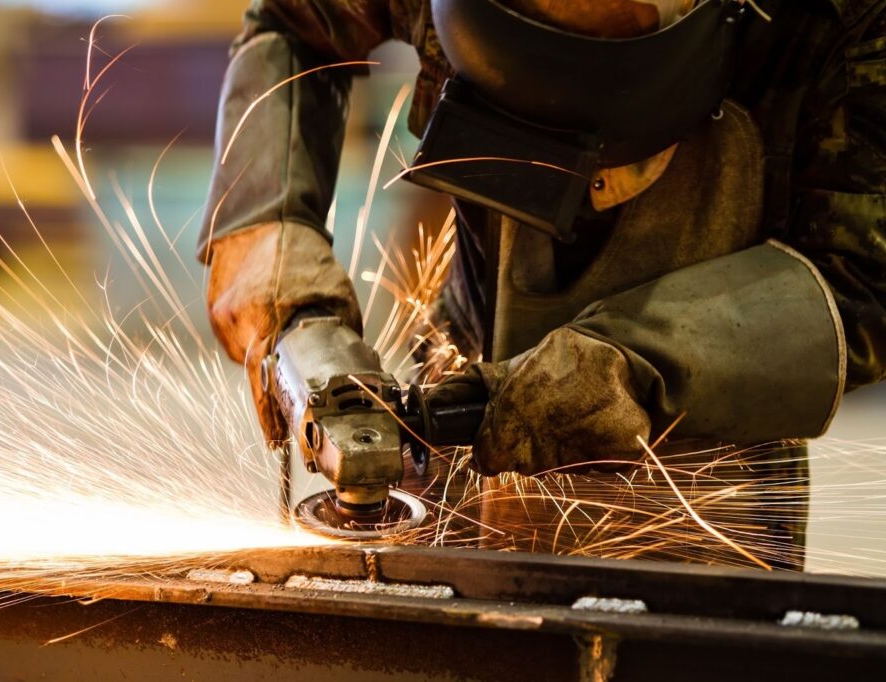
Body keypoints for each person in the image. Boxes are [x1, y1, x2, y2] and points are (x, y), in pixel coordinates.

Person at [201, 0, 886, 485]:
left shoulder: (847, 22)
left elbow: (867, 282)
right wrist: (267, 218)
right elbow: (294, 23)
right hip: (459, 382)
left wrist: (637, 363)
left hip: (707, 468)